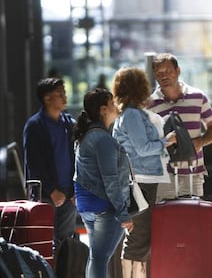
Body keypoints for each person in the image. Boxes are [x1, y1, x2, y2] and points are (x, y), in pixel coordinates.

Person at [111, 67, 176, 277]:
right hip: (140, 180)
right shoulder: (132, 115)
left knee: (139, 237)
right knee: (139, 238)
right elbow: (143, 148)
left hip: (139, 179)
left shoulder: (128, 115)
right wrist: (167, 141)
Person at [73, 88, 134, 278]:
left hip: (87, 204)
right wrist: (123, 213)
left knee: (96, 256)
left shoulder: (86, 136)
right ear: (103, 110)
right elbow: (111, 180)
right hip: (105, 206)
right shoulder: (102, 139)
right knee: (100, 258)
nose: (116, 107)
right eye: (112, 103)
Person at [147, 53, 212, 199]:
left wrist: (201, 142)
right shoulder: (150, 105)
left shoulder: (198, 97)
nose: (164, 76)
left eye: (168, 71)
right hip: (164, 174)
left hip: (194, 171)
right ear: (155, 75)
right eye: (159, 73)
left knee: (192, 218)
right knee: (167, 219)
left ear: (178, 71)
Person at [23, 77, 77, 252]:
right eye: (59, 94)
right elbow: (34, 163)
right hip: (46, 195)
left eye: (64, 93)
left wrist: (77, 189)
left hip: (68, 194)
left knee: (66, 243)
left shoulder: (69, 124)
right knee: (43, 243)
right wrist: (51, 190)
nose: (64, 97)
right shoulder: (35, 126)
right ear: (47, 99)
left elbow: (77, 157)